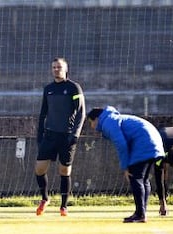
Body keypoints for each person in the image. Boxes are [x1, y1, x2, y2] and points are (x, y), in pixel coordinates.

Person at [87, 106, 164, 223]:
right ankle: (141, 212)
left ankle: (140, 214)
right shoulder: (113, 118)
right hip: (153, 140)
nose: (92, 127)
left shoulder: (108, 122)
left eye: (91, 122)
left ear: (97, 118)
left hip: (144, 141)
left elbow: (121, 144)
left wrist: (125, 167)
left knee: (135, 177)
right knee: (143, 180)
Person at [35, 57, 85, 216]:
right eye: (54, 67)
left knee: (64, 171)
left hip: (67, 136)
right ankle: (45, 198)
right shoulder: (48, 89)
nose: (56, 69)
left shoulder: (74, 88)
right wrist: (40, 135)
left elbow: (81, 113)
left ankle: (63, 206)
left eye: (59, 67)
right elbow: (43, 113)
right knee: (39, 169)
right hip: (50, 135)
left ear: (66, 69)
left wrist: (75, 134)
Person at [154, 127, 173, 216]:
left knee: (161, 172)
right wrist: (163, 203)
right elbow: (159, 176)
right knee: (160, 173)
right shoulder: (157, 149)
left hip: (165, 145)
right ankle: (163, 202)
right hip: (162, 144)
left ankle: (163, 202)